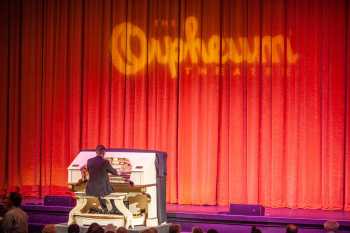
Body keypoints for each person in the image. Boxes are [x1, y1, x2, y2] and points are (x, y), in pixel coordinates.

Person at [86, 145, 119, 213]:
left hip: (90, 188)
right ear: (104, 153)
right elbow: (114, 172)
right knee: (111, 190)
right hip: (101, 188)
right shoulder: (105, 162)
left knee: (101, 191)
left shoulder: (89, 161)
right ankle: (114, 208)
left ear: (96, 152)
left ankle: (105, 208)